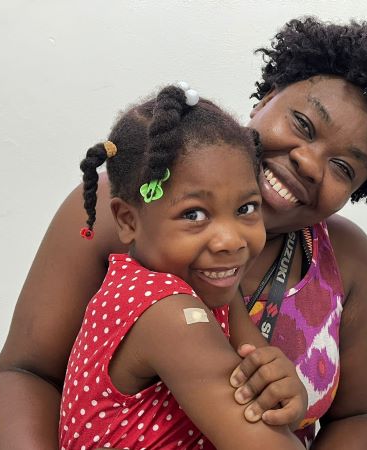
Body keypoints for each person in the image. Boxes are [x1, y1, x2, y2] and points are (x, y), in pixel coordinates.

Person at [0, 17, 367, 449]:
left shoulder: (348, 259)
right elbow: (27, 371)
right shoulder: (127, 201)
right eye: (302, 124)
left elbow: (360, 416)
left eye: (343, 166)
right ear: (266, 98)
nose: (309, 162)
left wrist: (289, 395)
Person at [58, 84, 305, 450]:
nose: (231, 240)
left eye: (246, 208)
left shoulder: (214, 291)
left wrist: (286, 394)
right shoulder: (169, 313)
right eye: (194, 214)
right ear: (128, 220)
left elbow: (266, 401)